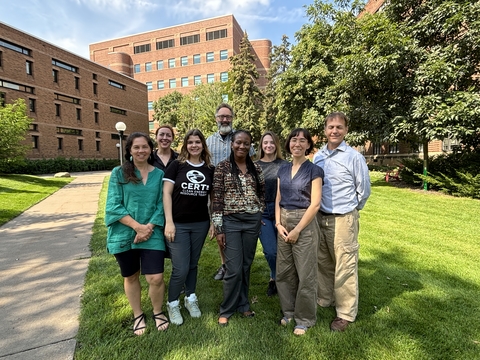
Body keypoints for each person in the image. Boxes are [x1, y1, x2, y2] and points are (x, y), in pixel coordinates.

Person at [105, 132, 169, 335]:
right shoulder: (118, 173)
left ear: (151, 149)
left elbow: (162, 205)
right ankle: (138, 314)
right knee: (131, 275)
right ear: (130, 150)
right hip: (125, 234)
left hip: (153, 232)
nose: (141, 150)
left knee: (156, 277)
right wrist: (137, 227)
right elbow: (113, 206)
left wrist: (148, 227)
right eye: (136, 147)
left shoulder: (159, 174)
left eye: (145, 147)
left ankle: (158, 312)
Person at [312, 112, 371, 332]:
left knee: (345, 264)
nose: (334, 131)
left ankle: (345, 312)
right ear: (325, 130)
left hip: (344, 218)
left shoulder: (353, 157)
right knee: (324, 261)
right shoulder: (318, 157)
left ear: (346, 130)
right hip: (321, 218)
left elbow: (363, 189)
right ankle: (326, 299)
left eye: (339, 127)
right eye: (330, 127)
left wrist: (353, 210)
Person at [212, 130, 265, 326]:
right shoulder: (222, 168)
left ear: (251, 145)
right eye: (238, 143)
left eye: (246, 143)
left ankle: (243, 304)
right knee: (233, 268)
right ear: (232, 144)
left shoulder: (256, 168)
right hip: (231, 222)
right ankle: (226, 308)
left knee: (245, 265)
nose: (242, 146)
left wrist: (259, 212)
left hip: (252, 221)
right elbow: (216, 200)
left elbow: (262, 193)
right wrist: (219, 228)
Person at [163, 129, 215, 325]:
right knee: (181, 267)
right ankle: (172, 302)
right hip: (178, 224)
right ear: (185, 145)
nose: (194, 145)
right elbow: (166, 194)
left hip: (200, 223)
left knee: (193, 264)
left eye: (198, 142)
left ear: (203, 145)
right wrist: (169, 222)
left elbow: (212, 198)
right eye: (190, 142)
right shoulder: (176, 166)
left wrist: (212, 222)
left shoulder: (210, 168)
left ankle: (190, 298)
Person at [275, 128, 323, 336]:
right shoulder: (283, 170)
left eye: (302, 141)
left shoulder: (314, 170)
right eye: (294, 140)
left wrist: (297, 230)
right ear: (288, 144)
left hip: (304, 223)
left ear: (308, 146)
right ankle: (289, 312)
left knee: (306, 274)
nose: (297, 144)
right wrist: (278, 224)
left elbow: (315, 204)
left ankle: (304, 319)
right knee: (284, 272)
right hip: (283, 222)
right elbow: (278, 198)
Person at [206, 103, 255, 281]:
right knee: (222, 230)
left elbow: (253, 163)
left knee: (238, 231)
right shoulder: (208, 142)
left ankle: (239, 263)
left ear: (232, 118)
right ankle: (225, 264)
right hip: (218, 193)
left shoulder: (241, 138)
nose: (225, 119)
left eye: (228, 116)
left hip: (241, 196)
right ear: (216, 118)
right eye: (222, 117)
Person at [255, 131, 287, 296]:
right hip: (263, 212)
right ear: (261, 145)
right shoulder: (254, 166)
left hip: (282, 211)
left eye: (272, 142)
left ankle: (278, 280)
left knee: (284, 249)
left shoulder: (285, 165)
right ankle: (275, 277)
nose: (268, 145)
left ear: (276, 145)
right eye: (265, 142)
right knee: (271, 251)